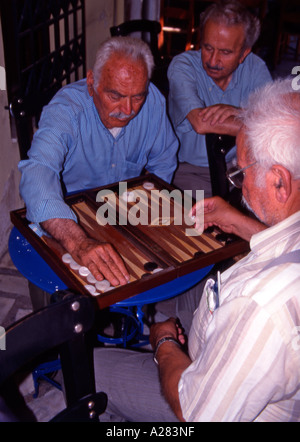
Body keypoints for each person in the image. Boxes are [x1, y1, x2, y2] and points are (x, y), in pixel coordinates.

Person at [94, 77, 300, 422]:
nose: (238, 181)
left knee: (92, 366)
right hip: (239, 353)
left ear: (279, 181)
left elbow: (197, 416)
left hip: (208, 401)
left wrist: (163, 345)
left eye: (243, 170)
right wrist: (237, 222)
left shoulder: (260, 306)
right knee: (196, 282)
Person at [18, 37, 178, 293]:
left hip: (123, 207)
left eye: (137, 97)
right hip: (68, 209)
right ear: (92, 83)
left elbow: (164, 161)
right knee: (66, 291)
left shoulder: (154, 102)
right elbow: (38, 173)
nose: (128, 110)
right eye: (115, 95)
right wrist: (78, 242)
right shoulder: (66, 110)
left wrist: (146, 212)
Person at [167, 0, 272, 198]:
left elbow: (279, 121)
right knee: (203, 224)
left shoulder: (255, 67)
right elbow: (201, 123)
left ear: (243, 53)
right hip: (189, 171)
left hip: (241, 169)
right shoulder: (182, 66)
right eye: (207, 48)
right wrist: (253, 120)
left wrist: (242, 114)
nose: (213, 61)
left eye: (225, 52)